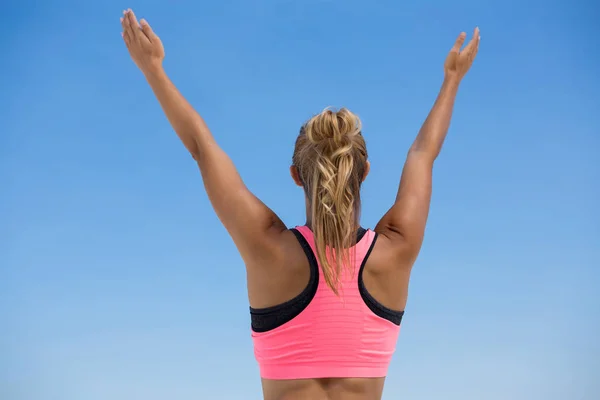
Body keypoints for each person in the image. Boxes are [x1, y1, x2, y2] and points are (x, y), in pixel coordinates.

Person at [120, 8, 479, 400]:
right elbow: (423, 154)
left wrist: (153, 70)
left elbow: (203, 150)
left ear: (296, 175)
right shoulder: (396, 249)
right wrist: (452, 80)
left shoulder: (267, 248)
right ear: (364, 172)